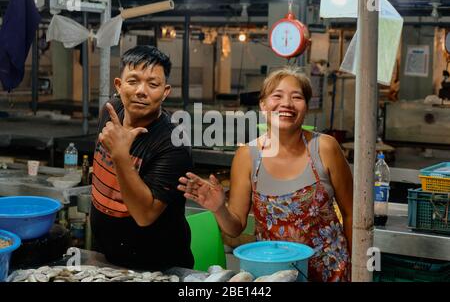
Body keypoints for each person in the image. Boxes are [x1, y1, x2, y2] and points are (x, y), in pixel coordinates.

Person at [178, 67, 353, 282]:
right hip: (272, 275)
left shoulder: (325, 148)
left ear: (306, 106)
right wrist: (219, 208)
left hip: (330, 271)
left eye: (296, 97)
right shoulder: (247, 156)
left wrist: (357, 267)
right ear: (263, 105)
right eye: (277, 96)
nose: (286, 104)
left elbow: (352, 213)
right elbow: (234, 228)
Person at [90, 45, 194, 271]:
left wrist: (121, 156)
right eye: (133, 81)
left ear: (165, 92)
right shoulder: (110, 113)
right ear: (119, 85)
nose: (141, 91)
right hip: (106, 258)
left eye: (153, 84)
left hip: (158, 267)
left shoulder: (173, 144)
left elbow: (144, 215)